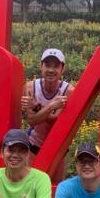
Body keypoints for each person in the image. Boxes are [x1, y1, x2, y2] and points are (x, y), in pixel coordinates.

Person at [21, 48, 75, 183]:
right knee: (30, 186)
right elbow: (32, 120)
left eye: (56, 66)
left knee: (55, 187)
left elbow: (57, 122)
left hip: (58, 146)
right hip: (35, 144)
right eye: (47, 65)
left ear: (62, 69)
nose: (51, 70)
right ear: (41, 66)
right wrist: (51, 106)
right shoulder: (30, 87)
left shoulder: (68, 91)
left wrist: (36, 106)